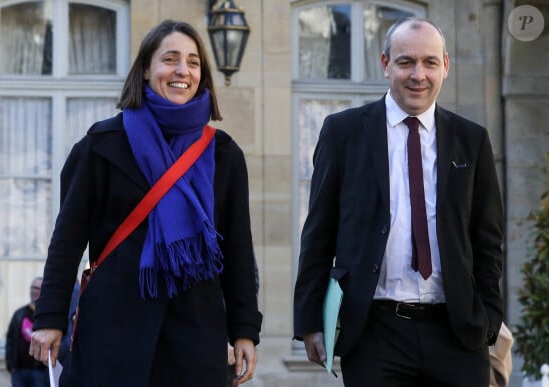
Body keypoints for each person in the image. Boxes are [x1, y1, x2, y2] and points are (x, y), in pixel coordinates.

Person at [28, 19, 262, 387]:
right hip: (112, 333)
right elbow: (67, 240)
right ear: (145, 69)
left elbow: (238, 252)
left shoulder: (225, 154)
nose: (182, 71)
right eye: (170, 59)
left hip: (196, 339)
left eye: (193, 62)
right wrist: (50, 318)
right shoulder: (100, 146)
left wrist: (245, 330)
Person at [293, 17, 504, 387]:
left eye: (430, 62)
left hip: (456, 333)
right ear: (386, 64)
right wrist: (309, 320)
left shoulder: (472, 140)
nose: (418, 75)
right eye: (406, 62)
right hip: (375, 331)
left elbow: (488, 240)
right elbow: (318, 233)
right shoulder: (342, 133)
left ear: (446, 67)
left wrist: (489, 318)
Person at [5, 276, 50, 387]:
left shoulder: (48, 316)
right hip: (18, 371)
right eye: (34, 288)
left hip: (40, 372)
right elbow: (10, 340)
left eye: (39, 288)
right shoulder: (19, 314)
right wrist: (10, 365)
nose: (36, 291)